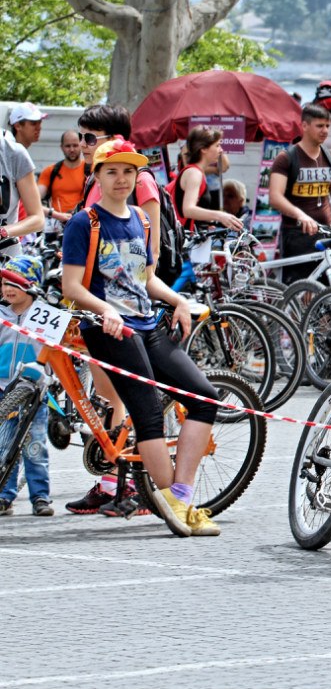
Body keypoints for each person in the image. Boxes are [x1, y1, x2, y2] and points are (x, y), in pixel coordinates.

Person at [61, 139, 225, 537]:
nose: (121, 179)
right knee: (148, 413)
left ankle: (178, 498)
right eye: (112, 171)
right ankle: (176, 507)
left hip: (147, 324)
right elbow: (71, 286)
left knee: (204, 398)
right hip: (107, 328)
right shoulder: (85, 223)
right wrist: (107, 311)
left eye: (129, 172)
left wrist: (178, 301)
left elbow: (145, 279)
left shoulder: (141, 219)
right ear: (97, 176)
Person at [64, 106, 162, 515]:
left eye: (91, 138)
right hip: (96, 307)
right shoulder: (95, 183)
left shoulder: (140, 186)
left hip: (130, 311)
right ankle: (110, 481)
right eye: (81, 138)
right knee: (107, 393)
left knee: (129, 397)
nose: (83, 144)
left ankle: (133, 486)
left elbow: (147, 258)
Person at [0, 256, 53, 517]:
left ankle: (40, 497)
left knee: (35, 446)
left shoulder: (46, 314)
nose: (8, 289)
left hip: (36, 393)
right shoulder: (0, 315)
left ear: (31, 285)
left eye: (15, 284)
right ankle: (4, 496)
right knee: (4, 445)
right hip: (3, 390)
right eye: (5, 283)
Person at [268, 103, 331, 284]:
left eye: (327, 126)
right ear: (305, 126)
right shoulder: (287, 158)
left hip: (326, 234)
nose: (325, 131)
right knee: (298, 289)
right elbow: (275, 197)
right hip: (296, 234)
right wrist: (301, 215)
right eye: (319, 126)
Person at [171, 126, 243, 231]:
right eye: (217, 145)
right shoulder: (194, 173)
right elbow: (188, 209)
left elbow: (225, 166)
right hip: (187, 241)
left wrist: (206, 224)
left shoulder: (196, 171)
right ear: (203, 149)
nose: (221, 150)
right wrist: (220, 216)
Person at [0, 109, 44, 252]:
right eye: (33, 123)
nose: (38, 127)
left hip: (5, 259)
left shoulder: (13, 152)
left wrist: (4, 232)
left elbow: (37, 218)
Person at [38, 130, 87, 243]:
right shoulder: (50, 172)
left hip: (83, 225)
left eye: (75, 145)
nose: (72, 149)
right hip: (56, 229)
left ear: (81, 144)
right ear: (61, 147)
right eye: (68, 146)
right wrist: (56, 215)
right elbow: (32, 202)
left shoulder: (92, 170)